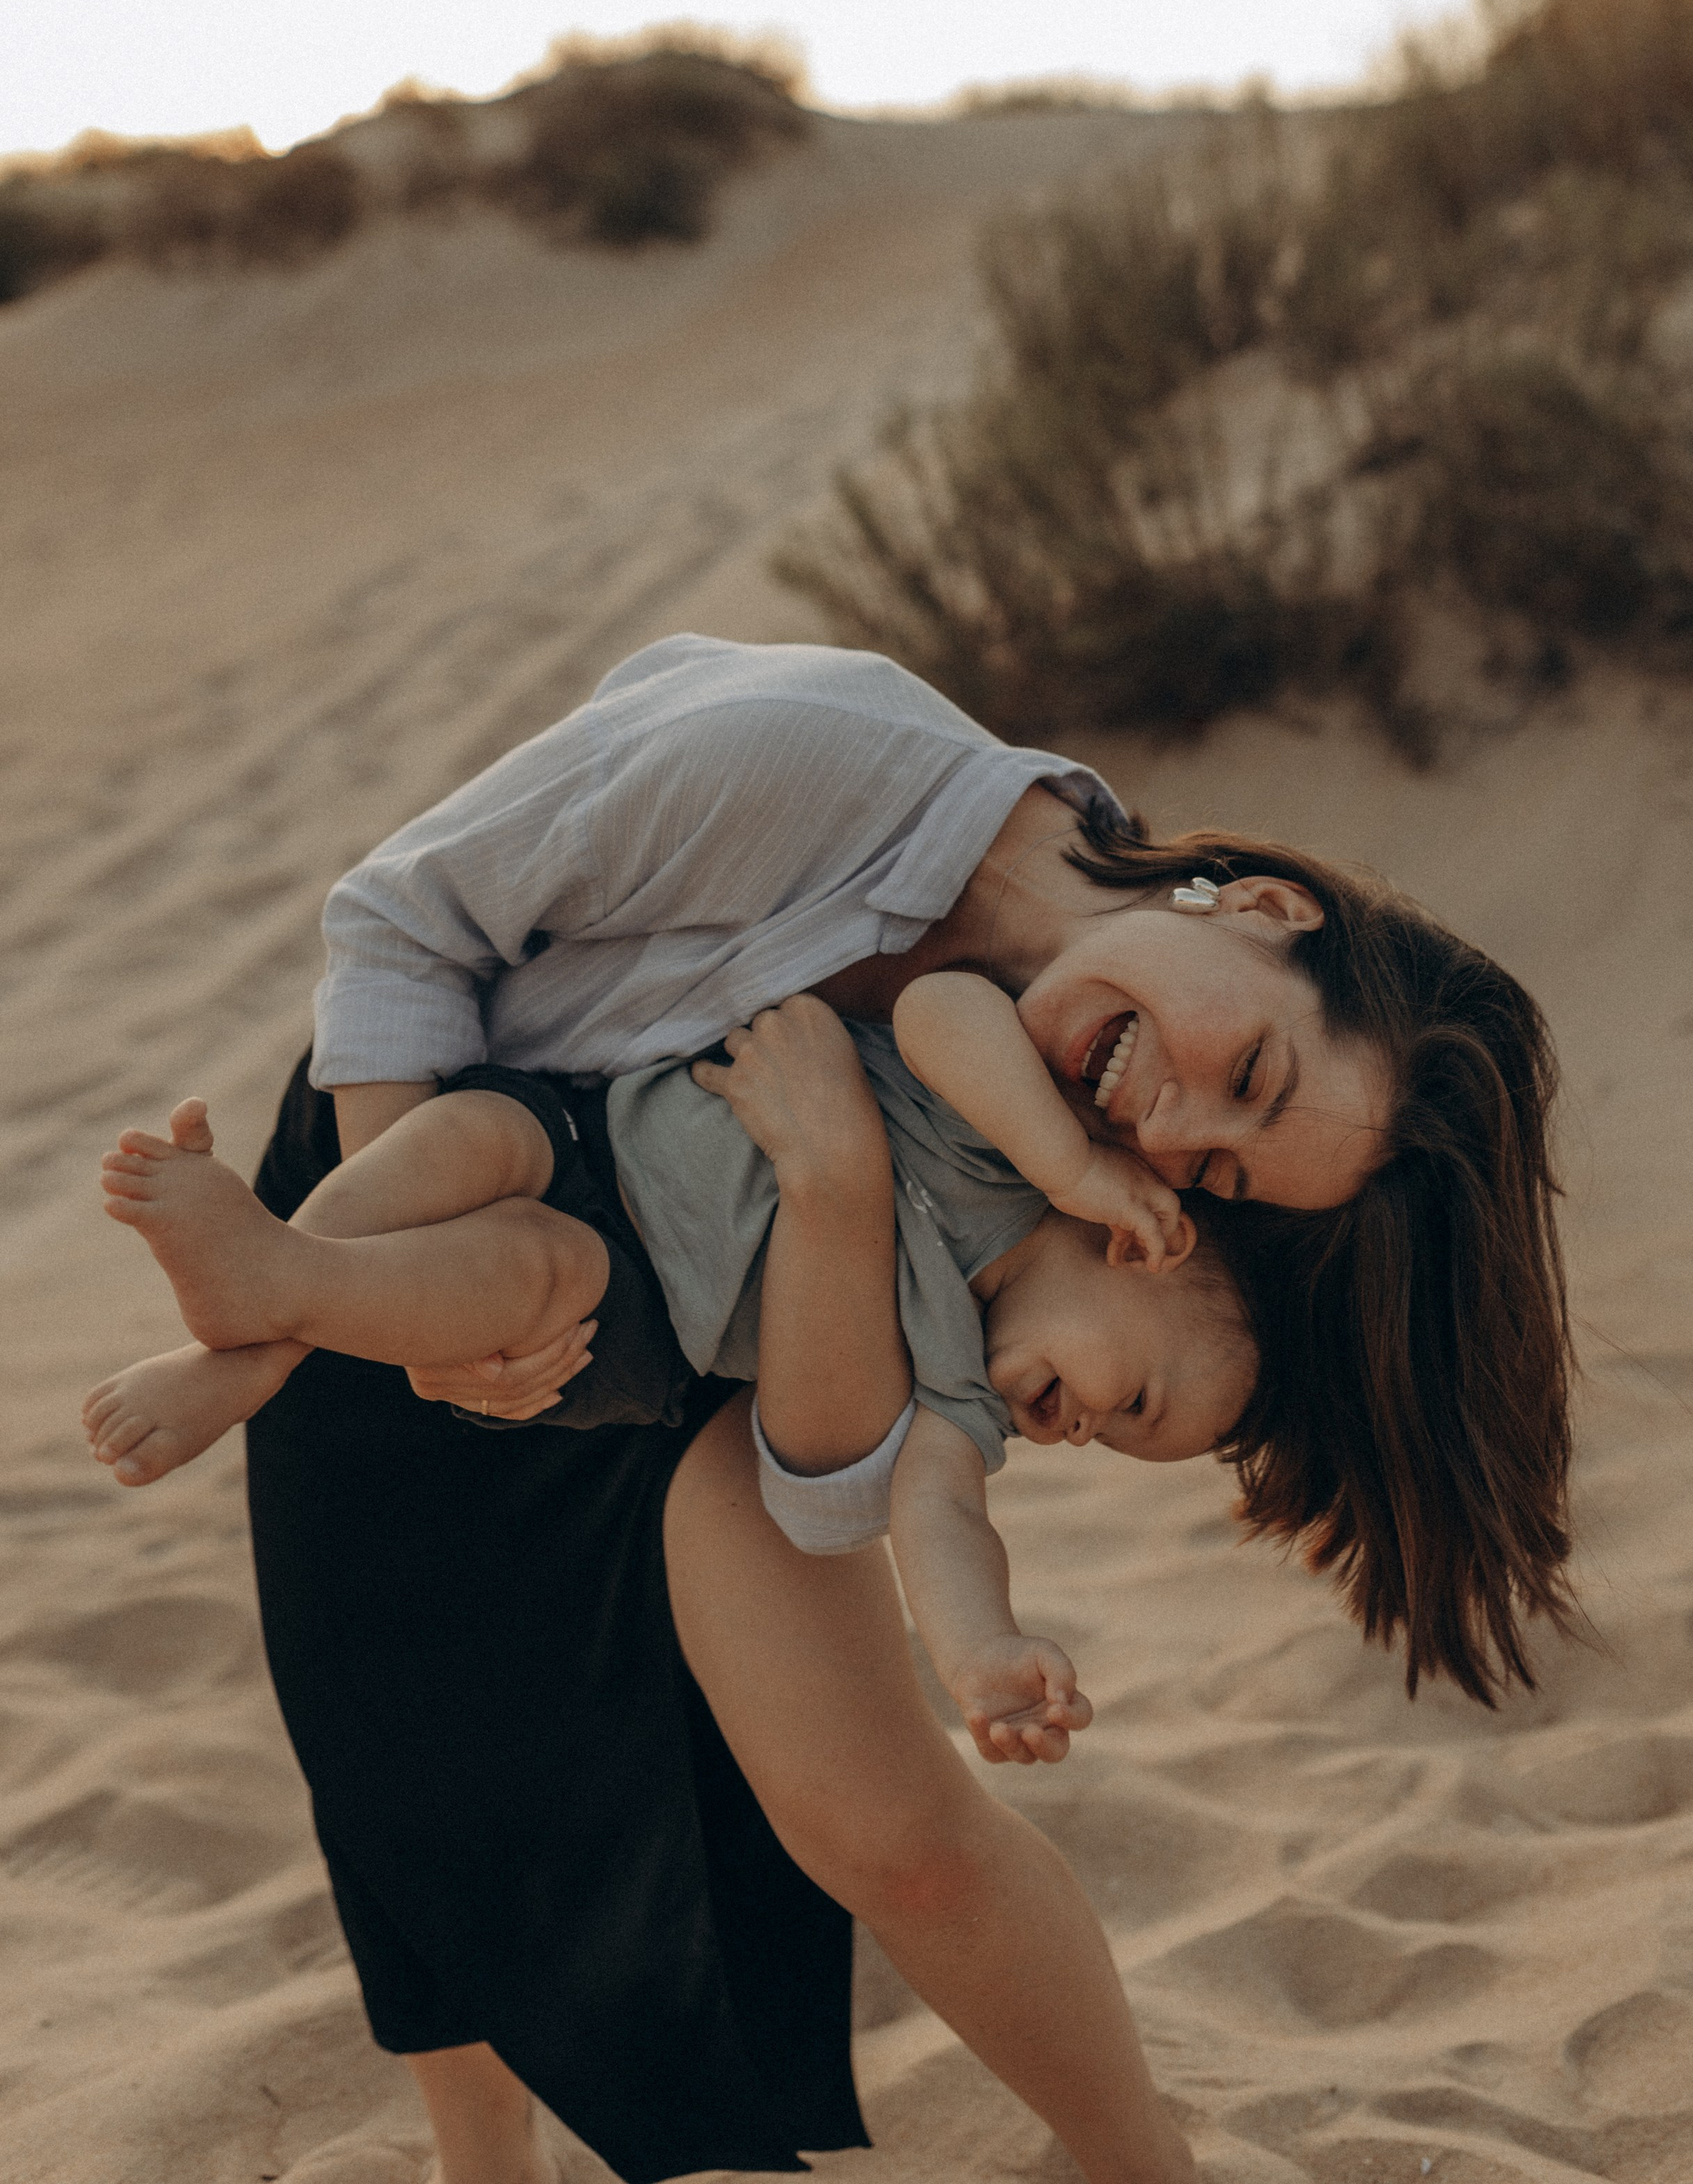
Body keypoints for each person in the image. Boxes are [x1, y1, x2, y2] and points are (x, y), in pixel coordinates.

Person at [82, 634, 1576, 2184]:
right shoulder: (809, 756)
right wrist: (414, 1303)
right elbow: (396, 919)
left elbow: (860, 1454)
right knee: (408, 1757)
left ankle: (1140, 2167)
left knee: (887, 1831)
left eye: (1211, 1170)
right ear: (1267, 910)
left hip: (739, 1329)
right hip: (418, 1185)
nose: (1158, 1122)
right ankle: (485, 2164)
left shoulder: (1095, 1081)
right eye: (1249, 1071)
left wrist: (848, 1188)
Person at [91, 997, 1259, 1759]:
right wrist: (1070, 1163)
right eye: (1136, 1403)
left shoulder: (958, 1389)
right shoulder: (1014, 1140)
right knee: (473, 1139)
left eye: (1107, 1444)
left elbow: (942, 1515)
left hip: (640, 1304)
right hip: (596, 1127)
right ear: (1148, 1244)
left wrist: (980, 1652)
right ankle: (263, 1311)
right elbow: (941, 1009)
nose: (1082, 1430)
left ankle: (264, 1308)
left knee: (532, 1272)